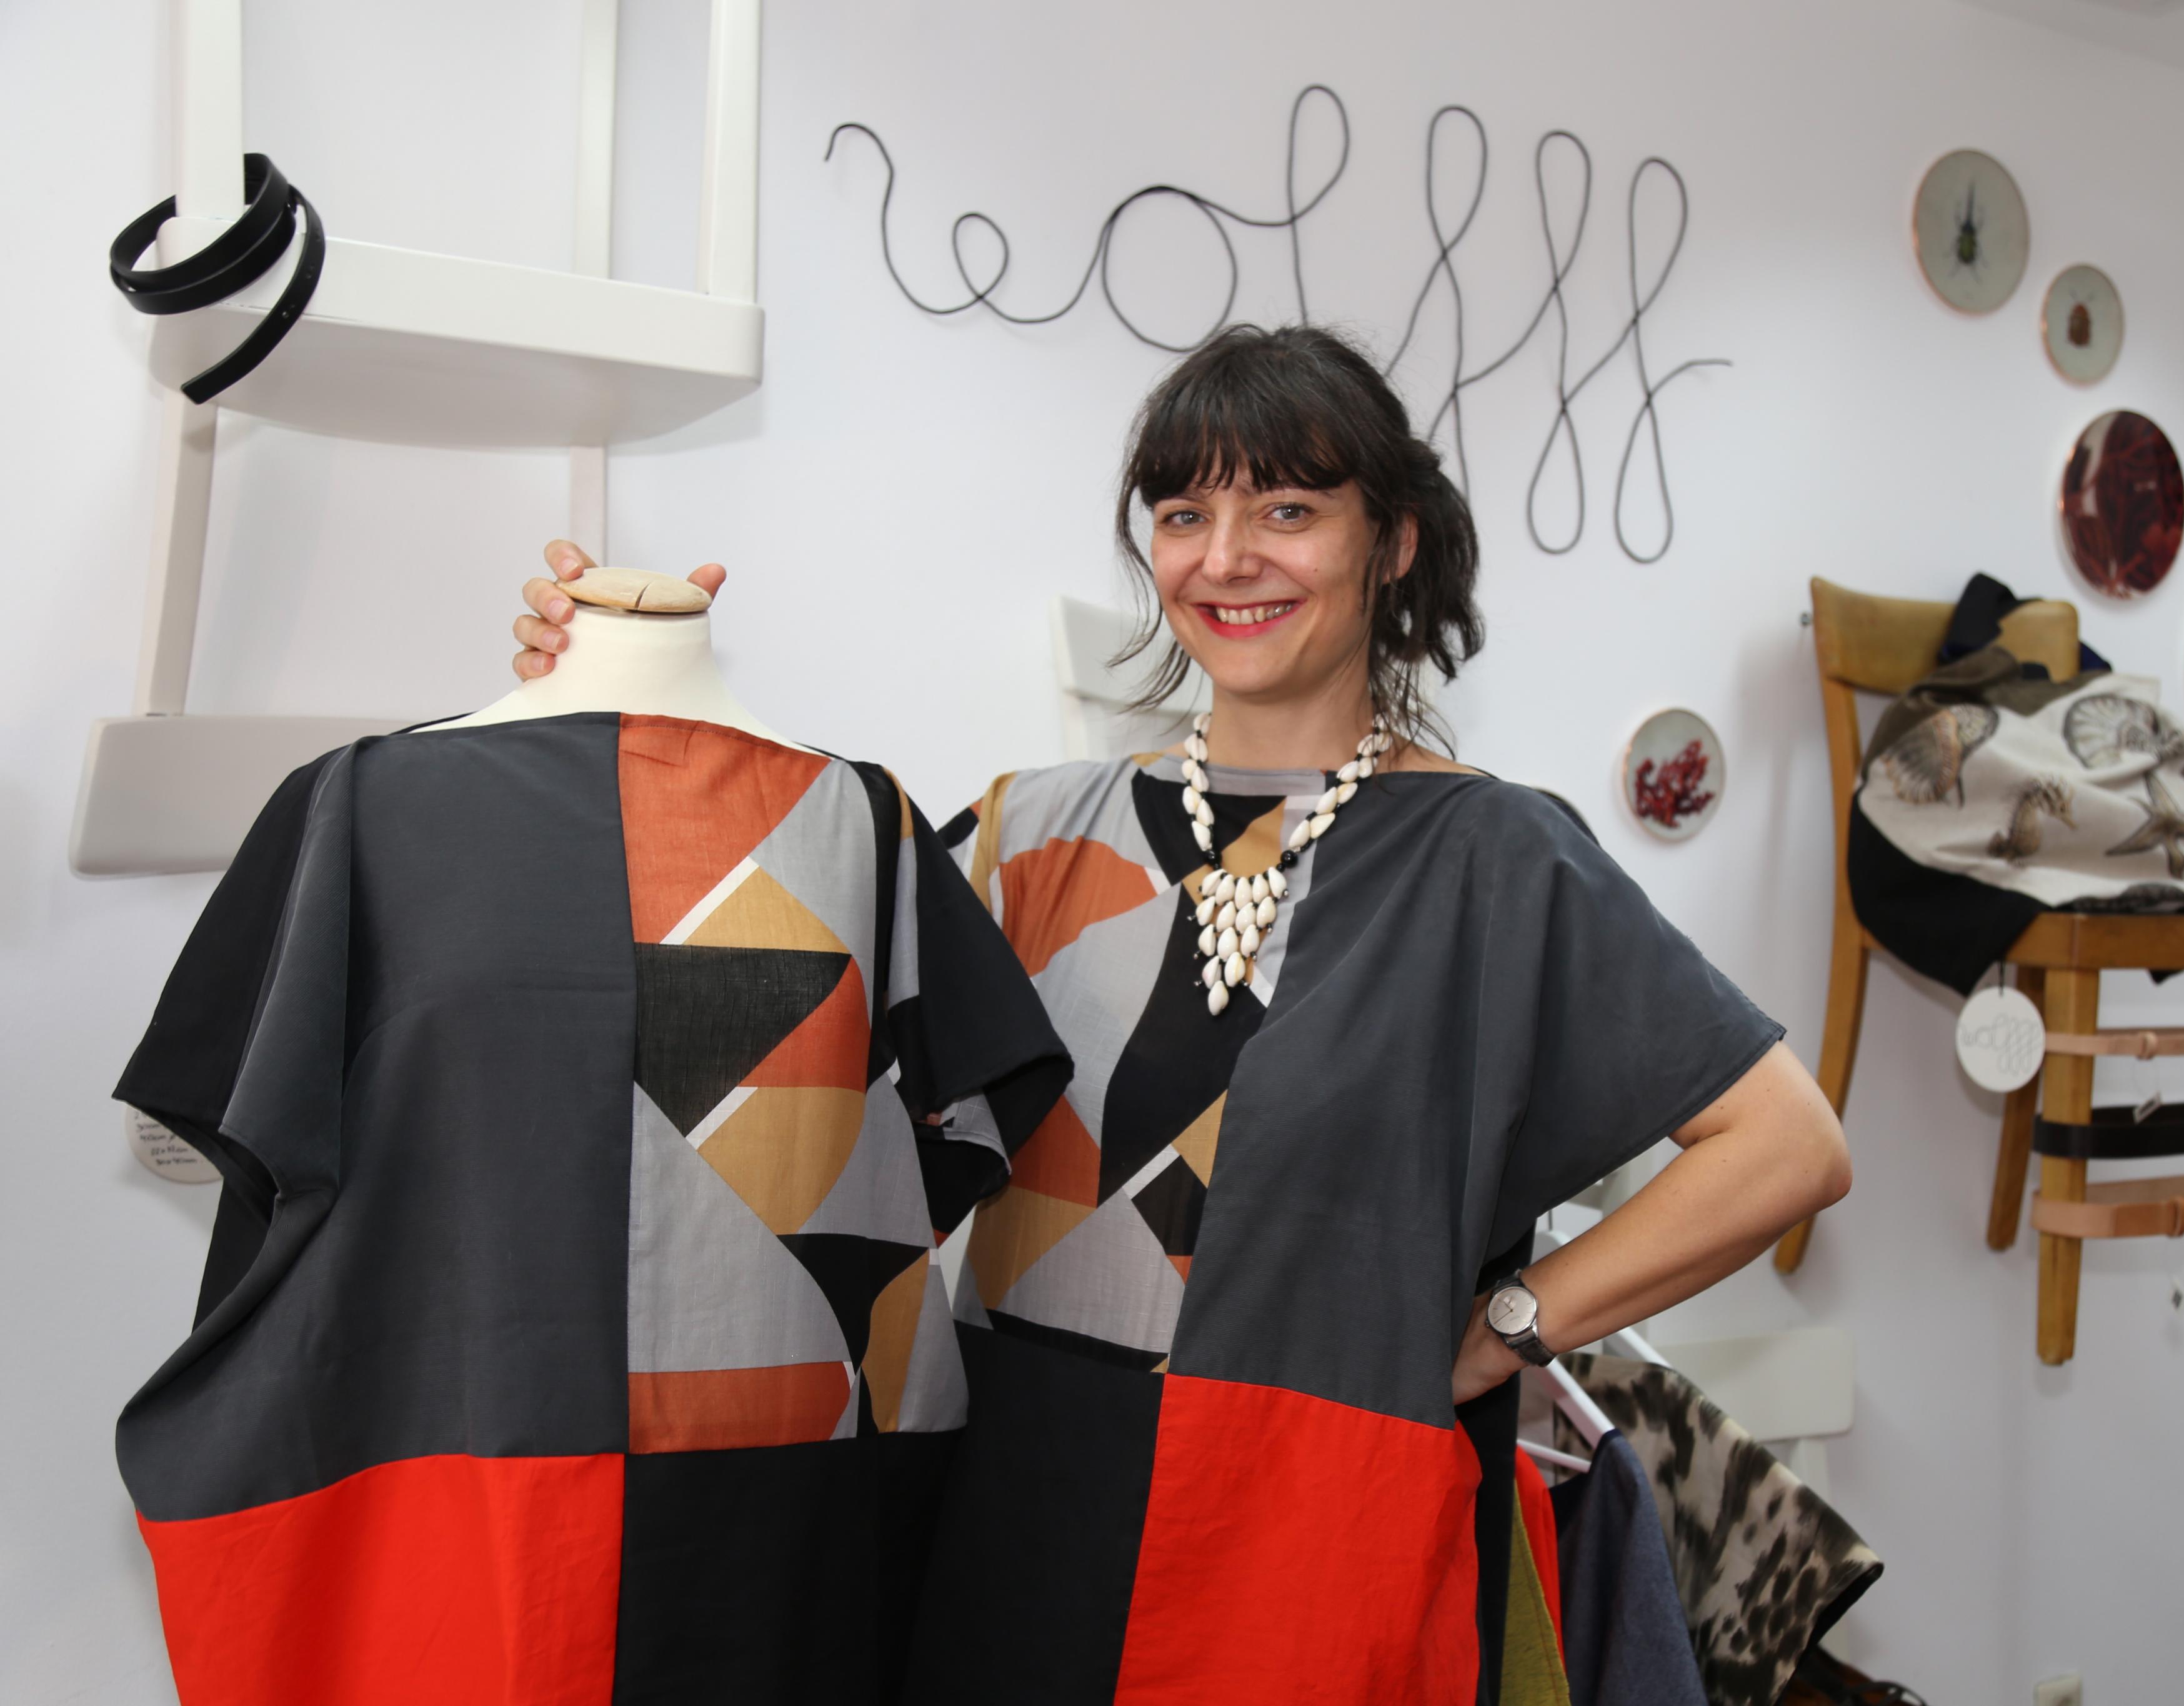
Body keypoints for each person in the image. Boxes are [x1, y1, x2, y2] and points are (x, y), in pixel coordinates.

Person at [508, 324, 1849, 1705]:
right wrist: (600, 707)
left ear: (1393, 541)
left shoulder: (1491, 859)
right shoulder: (1031, 833)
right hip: (1012, 1526)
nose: (1227, 557)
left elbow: (1785, 1146)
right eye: (1184, 512)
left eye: (1289, 509)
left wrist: (1503, 1328)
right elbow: (742, 1006)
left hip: (1307, 1551)